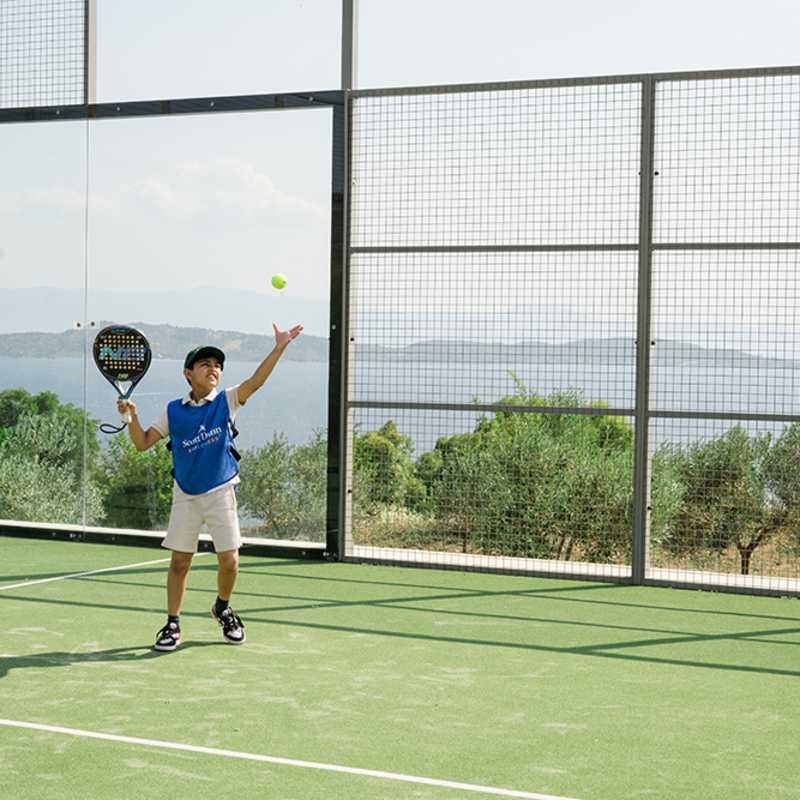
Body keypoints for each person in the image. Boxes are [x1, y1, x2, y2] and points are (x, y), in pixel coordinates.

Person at [118, 322, 303, 652]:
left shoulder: (227, 402)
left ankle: (222, 607)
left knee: (230, 561)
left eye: (217, 365)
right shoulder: (173, 410)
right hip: (186, 494)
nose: (213, 369)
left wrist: (279, 348)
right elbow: (143, 443)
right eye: (205, 364)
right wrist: (130, 418)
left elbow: (256, 382)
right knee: (180, 562)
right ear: (188, 373)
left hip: (221, 491)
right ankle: (172, 624)